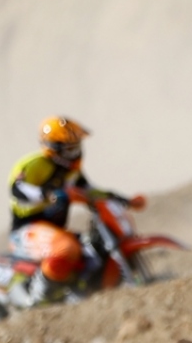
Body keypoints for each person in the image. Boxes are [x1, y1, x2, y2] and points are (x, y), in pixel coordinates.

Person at [8, 116, 145, 305]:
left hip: (55, 230)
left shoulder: (71, 172)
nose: (76, 153)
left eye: (77, 147)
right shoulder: (35, 164)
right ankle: (38, 301)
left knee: (93, 249)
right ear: (54, 148)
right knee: (67, 248)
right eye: (70, 149)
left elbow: (90, 191)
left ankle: (83, 292)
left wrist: (125, 200)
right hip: (27, 230)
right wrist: (51, 195)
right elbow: (18, 189)